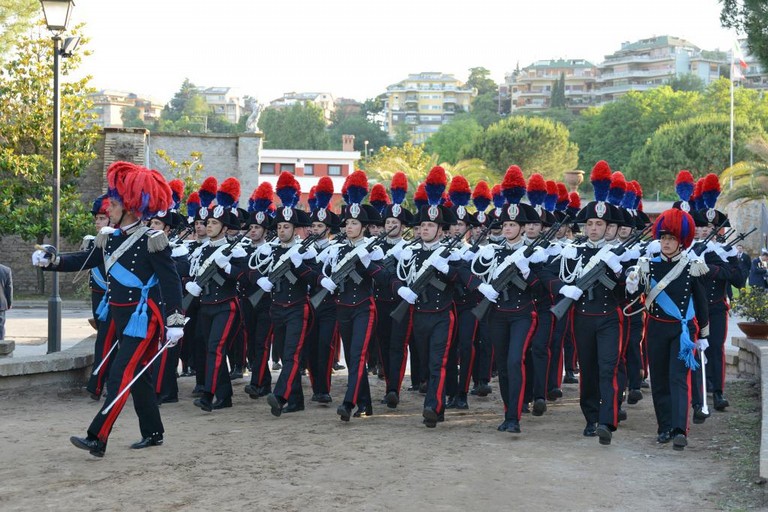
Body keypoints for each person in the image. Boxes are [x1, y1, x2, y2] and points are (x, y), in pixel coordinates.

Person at [33, 161, 184, 458]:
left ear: (128, 207)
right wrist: (53, 260)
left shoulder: (152, 240)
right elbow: (83, 260)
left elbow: (171, 282)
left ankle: (97, 438)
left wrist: (174, 320)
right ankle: (154, 432)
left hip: (144, 319)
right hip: (119, 317)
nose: (108, 209)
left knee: (120, 375)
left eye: (113, 204)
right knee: (138, 375)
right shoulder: (110, 238)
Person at [626, 208, 709, 450]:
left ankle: (680, 429)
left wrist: (703, 334)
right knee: (659, 380)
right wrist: (631, 283)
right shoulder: (647, 265)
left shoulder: (692, 266)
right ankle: (664, 428)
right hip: (656, 328)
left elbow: (701, 303)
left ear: (681, 241)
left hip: (682, 331)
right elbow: (636, 293)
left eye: (671, 239)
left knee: (678, 378)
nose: (666, 243)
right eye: (663, 238)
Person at [0, 262, 12, 340]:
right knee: (0, 327)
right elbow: (9, 289)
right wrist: (9, 302)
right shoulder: (5, 270)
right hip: (1, 303)